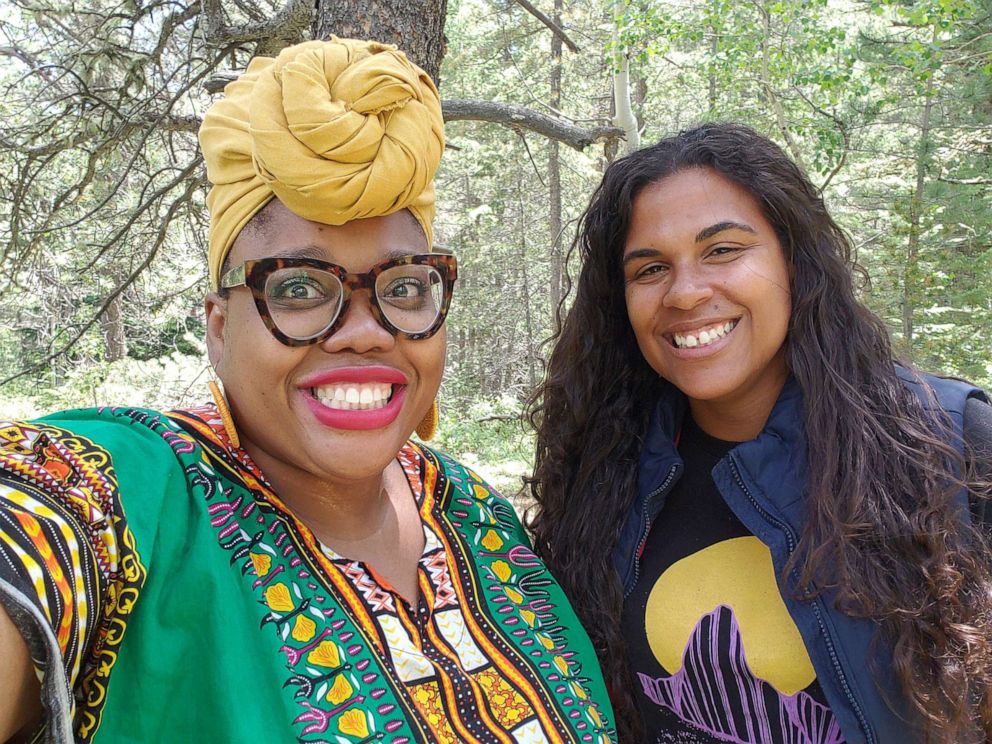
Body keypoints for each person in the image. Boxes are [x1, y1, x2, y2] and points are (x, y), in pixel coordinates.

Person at [0, 38, 617, 743]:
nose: (364, 332)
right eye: (298, 288)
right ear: (220, 326)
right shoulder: (132, 498)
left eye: (405, 287)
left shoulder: (473, 514)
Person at [526, 123, 992, 744]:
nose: (686, 293)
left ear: (794, 262)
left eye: (722, 250)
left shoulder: (945, 442)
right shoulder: (605, 473)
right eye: (650, 268)